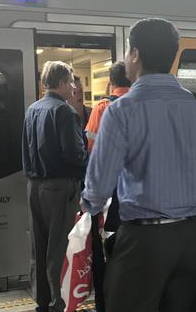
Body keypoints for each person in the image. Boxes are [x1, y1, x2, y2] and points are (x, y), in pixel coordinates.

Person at [81, 18, 196, 312]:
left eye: (126, 53)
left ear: (135, 54)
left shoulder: (121, 111)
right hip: (193, 238)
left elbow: (99, 186)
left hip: (144, 240)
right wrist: (194, 214)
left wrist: (86, 211)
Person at [22, 61, 88, 312]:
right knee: (57, 248)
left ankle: (41, 301)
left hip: (34, 187)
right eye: (71, 81)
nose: (73, 87)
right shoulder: (65, 111)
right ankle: (56, 304)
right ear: (61, 83)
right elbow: (75, 154)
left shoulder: (33, 109)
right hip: (59, 188)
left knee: (38, 248)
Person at [83, 61, 131, 312]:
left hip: (110, 190)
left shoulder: (103, 107)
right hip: (133, 190)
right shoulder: (138, 104)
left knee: (106, 245)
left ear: (110, 82)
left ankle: (106, 299)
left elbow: (93, 151)